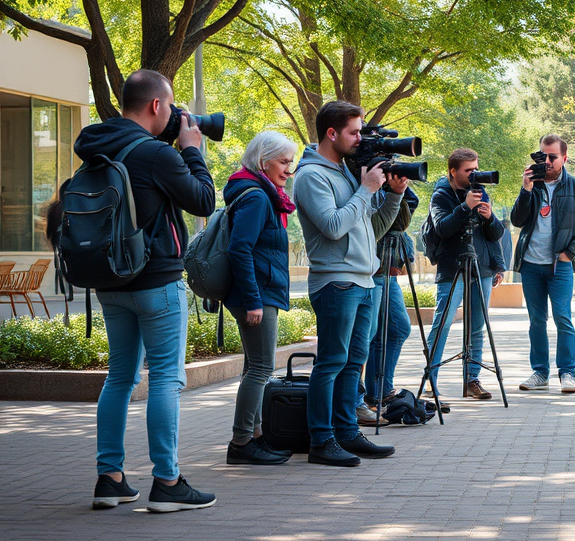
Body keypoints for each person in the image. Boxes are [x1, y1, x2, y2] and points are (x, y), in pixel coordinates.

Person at [73, 70, 217, 512]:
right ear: (157, 106)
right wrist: (192, 151)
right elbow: (204, 202)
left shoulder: (95, 148)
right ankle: (167, 482)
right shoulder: (157, 154)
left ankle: (110, 478)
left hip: (110, 281)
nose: (175, 114)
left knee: (119, 379)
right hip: (156, 282)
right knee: (166, 382)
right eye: (172, 106)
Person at [292, 101, 406, 466]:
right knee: (331, 361)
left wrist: (393, 194)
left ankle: (346, 433)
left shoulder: (343, 171)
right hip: (335, 281)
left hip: (363, 279)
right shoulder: (312, 175)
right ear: (332, 133)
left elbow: (370, 226)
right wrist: (366, 190)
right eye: (354, 132)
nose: (361, 139)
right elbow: (333, 225)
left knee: (355, 359)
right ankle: (321, 440)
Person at [223, 131, 298, 465]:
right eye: (283, 162)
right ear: (262, 161)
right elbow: (240, 249)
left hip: (259, 291)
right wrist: (253, 300)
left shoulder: (262, 194)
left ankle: (253, 437)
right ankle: (241, 443)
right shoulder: (256, 196)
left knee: (254, 365)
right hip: (256, 294)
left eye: (291, 162)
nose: (289, 169)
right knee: (262, 367)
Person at [512, 134, 575, 394]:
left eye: (552, 156)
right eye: (543, 155)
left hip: (559, 265)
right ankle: (540, 372)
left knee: (563, 318)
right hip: (530, 264)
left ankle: (567, 373)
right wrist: (526, 188)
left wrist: (569, 252)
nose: (547, 161)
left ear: (564, 157)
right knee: (537, 320)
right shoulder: (533, 185)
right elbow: (517, 220)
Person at [425, 148, 506, 400]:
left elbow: (495, 235)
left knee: (477, 327)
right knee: (443, 324)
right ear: (453, 171)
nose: (474, 175)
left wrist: (490, 218)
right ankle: (430, 379)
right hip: (453, 268)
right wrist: (464, 207)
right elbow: (442, 229)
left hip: (481, 268)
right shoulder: (441, 195)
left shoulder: (482, 192)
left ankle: (472, 380)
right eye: (469, 171)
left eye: (476, 169)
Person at [361, 187, 419, 422]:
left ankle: (381, 393)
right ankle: (356, 400)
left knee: (398, 328)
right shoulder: (362, 176)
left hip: (389, 267)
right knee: (367, 334)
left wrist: (396, 185)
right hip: (371, 264)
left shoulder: (392, 185)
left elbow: (404, 215)